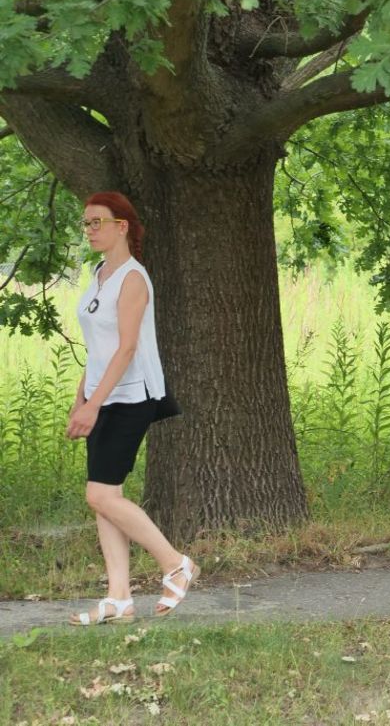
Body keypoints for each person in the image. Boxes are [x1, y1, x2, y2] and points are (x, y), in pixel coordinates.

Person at [67, 192, 198, 624]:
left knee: (100, 494)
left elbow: (126, 349)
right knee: (106, 498)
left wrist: (94, 405)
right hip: (102, 397)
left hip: (131, 397)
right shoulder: (99, 274)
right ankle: (119, 598)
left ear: (121, 226)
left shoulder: (133, 279)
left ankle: (175, 564)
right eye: (86, 223)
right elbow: (98, 349)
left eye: (97, 222)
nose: (89, 230)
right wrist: (81, 400)